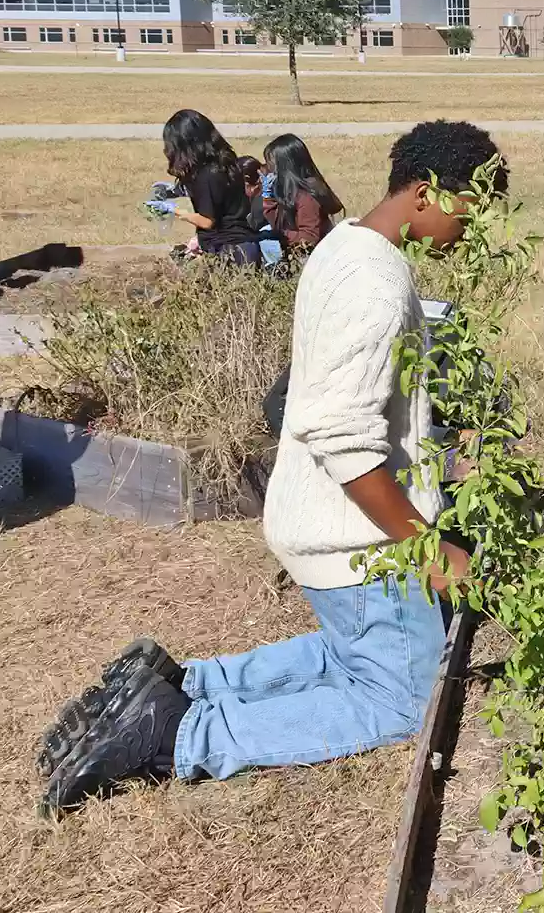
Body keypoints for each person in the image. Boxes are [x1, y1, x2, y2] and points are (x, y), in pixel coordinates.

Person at [38, 120, 505, 814]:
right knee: (401, 698)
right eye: (475, 207)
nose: (477, 229)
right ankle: (180, 734)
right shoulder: (376, 288)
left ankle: (179, 683)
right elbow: (346, 442)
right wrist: (429, 547)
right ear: (426, 192)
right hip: (353, 539)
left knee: (356, 653)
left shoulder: (347, 249)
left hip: (315, 518)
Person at [161, 108, 259, 265]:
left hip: (230, 252)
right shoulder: (224, 164)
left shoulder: (207, 175)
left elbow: (207, 221)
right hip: (242, 247)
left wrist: (175, 211)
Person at [263, 132, 345, 256]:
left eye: (271, 165)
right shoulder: (288, 190)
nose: (268, 169)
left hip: (316, 256)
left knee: (268, 241)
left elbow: (309, 238)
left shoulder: (306, 196)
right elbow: (277, 223)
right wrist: (268, 198)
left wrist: (281, 235)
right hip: (296, 247)